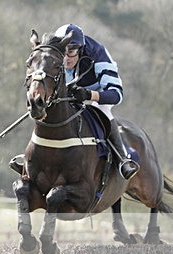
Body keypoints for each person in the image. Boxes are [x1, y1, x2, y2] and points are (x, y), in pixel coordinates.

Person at [55, 23, 139, 179]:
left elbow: (116, 94)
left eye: (71, 52)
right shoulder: (53, 54)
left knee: (102, 110)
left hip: (98, 93)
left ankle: (123, 160)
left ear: (80, 49)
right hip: (69, 94)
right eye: (63, 53)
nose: (66, 59)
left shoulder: (97, 53)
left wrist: (89, 95)